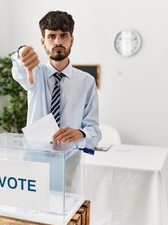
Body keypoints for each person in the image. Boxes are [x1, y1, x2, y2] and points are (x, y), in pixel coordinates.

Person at [11, 10, 101, 149]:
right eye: (51, 36)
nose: (58, 41)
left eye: (63, 35)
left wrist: (81, 133)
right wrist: (21, 52)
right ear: (43, 42)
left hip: (71, 158)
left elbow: (94, 130)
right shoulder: (35, 73)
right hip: (37, 158)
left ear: (72, 39)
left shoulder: (87, 81)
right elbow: (19, 71)